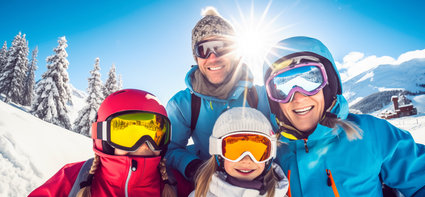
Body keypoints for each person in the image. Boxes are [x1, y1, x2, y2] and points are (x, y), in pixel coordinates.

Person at [263, 36, 425, 196]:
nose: (298, 97)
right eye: (283, 87)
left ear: (329, 86)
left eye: (310, 80)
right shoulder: (266, 152)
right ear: (273, 100)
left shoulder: (371, 134)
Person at [165, 6, 271, 190]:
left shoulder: (260, 97)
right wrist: (195, 168)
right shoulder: (184, 104)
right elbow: (171, 148)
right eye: (203, 49)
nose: (213, 57)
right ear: (196, 57)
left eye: (221, 48)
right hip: (210, 186)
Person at [29, 89, 176, 197]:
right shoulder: (71, 178)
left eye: (154, 133)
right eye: (129, 134)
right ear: (102, 137)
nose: (144, 144)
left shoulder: (177, 185)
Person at [190, 107, 289, 197]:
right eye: (235, 150)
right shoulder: (200, 194)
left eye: (257, 151)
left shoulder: (280, 194)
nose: (246, 160)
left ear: (269, 155)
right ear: (219, 155)